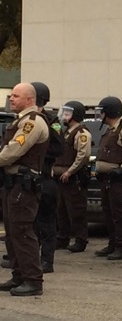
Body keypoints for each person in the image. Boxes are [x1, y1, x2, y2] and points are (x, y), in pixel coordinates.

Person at [0, 83, 49, 296]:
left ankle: (33, 280)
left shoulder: (32, 123)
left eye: (16, 96)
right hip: (13, 183)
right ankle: (19, 275)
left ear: (30, 100)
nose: (11, 99)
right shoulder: (20, 120)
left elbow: (13, 151)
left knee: (22, 231)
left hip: (24, 184)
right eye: (11, 95)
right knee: (12, 232)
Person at [94, 96, 122, 260]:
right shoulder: (109, 130)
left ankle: (121, 247)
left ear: (110, 112)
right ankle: (112, 243)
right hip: (106, 179)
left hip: (118, 180)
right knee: (108, 212)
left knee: (120, 214)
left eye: (102, 112)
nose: (100, 115)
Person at [31, 81, 65, 274]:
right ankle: (29, 258)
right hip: (30, 179)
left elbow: (58, 147)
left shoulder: (52, 122)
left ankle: (47, 261)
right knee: (30, 222)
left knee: (46, 222)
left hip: (45, 177)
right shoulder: (28, 120)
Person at [54, 101, 92, 253]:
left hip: (73, 178)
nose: (64, 116)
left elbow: (83, 156)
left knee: (76, 210)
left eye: (67, 113)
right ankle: (63, 237)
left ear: (75, 116)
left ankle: (81, 240)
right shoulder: (66, 132)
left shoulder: (81, 134)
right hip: (60, 177)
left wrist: (70, 171)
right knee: (60, 209)